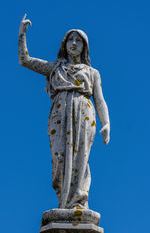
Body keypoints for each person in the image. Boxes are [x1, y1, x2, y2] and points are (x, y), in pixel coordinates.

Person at [19, 14, 110, 209]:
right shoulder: (55, 68)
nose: (74, 43)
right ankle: (63, 202)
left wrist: (107, 124)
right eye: (71, 39)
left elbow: (100, 100)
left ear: (84, 46)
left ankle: (79, 202)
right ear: (65, 44)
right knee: (59, 160)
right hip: (60, 114)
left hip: (84, 113)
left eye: (79, 40)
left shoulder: (92, 73)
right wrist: (22, 36)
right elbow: (25, 60)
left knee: (80, 158)